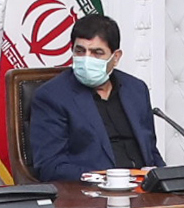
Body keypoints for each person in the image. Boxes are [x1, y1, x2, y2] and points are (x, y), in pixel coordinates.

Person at [23, 13, 163, 182]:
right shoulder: (52, 97)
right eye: (80, 51)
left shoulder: (136, 89)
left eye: (97, 53)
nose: (86, 59)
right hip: (93, 191)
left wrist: (164, 178)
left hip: (144, 188)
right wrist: (105, 178)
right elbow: (50, 167)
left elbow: (151, 152)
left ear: (115, 57)